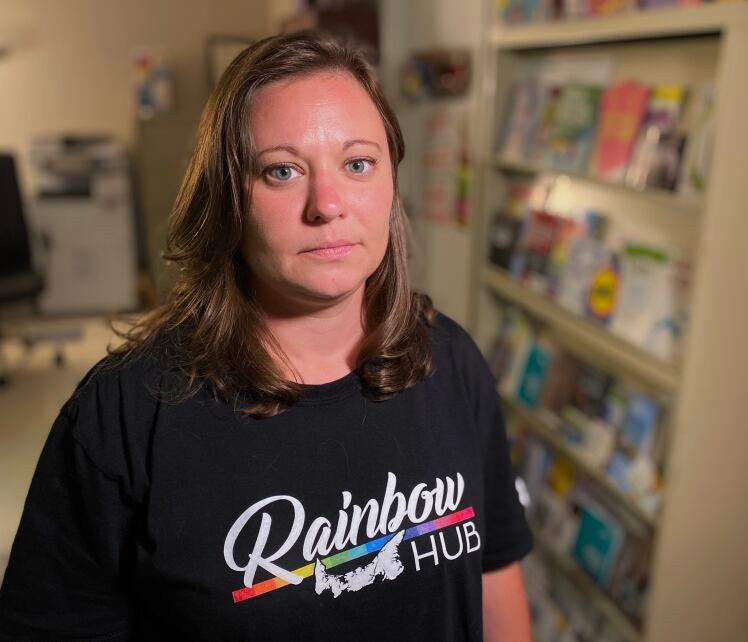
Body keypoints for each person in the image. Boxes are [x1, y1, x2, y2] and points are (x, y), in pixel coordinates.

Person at [0, 31, 533, 641]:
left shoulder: (451, 360)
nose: (327, 204)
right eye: (282, 171)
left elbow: (495, 578)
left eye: (358, 163)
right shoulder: (124, 413)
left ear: (391, 182)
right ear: (229, 197)